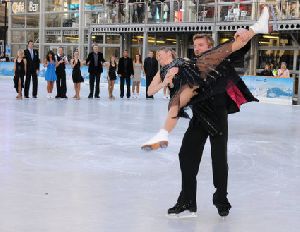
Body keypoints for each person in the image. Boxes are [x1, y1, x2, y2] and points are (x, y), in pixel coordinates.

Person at [141, 5, 273, 218]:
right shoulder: (191, 64)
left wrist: (243, 37)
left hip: (218, 114)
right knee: (186, 156)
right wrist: (169, 77)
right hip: (199, 116)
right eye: (195, 45)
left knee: (219, 159)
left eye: (201, 45)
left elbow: (236, 49)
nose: (197, 48)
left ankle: (221, 199)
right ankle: (187, 201)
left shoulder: (215, 58)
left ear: (208, 45)